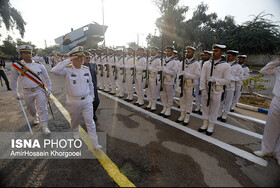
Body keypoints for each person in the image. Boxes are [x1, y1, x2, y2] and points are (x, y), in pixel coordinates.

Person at [51, 46, 102, 149]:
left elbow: (91, 84)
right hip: (73, 101)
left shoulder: (86, 69)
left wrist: (92, 96)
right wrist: (68, 59)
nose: (81, 59)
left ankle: (95, 142)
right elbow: (54, 70)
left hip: (87, 100)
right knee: (75, 121)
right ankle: (75, 134)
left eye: (82, 57)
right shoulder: (67, 70)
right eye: (78, 57)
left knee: (90, 122)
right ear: (73, 58)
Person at [10, 45, 51, 134]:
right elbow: (13, 80)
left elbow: (47, 78)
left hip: (39, 90)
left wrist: (49, 89)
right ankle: (35, 116)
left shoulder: (39, 65)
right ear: (21, 54)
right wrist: (15, 92)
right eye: (25, 53)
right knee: (31, 108)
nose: (28, 55)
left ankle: (44, 126)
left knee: (42, 108)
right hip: (26, 92)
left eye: (29, 52)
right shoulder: (17, 66)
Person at [198, 44, 231, 136]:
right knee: (205, 107)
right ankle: (205, 123)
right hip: (206, 89)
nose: (214, 52)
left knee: (214, 109)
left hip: (217, 90)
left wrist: (216, 80)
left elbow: (227, 80)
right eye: (213, 50)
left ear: (222, 53)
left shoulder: (226, 66)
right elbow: (202, 77)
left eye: (216, 51)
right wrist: (203, 89)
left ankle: (211, 125)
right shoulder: (207, 63)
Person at [253, 58, 280, 166]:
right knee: (271, 127)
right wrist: (277, 60)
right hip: (277, 101)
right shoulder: (278, 69)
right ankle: (266, 150)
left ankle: (278, 155)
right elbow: (263, 71)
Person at [176, 46, 200, 125]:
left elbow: (197, 76)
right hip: (182, 83)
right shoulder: (182, 62)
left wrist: (187, 74)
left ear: (193, 53)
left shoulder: (196, 64)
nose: (187, 53)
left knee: (189, 101)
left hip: (189, 84)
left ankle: (187, 116)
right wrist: (178, 86)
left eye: (189, 52)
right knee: (182, 100)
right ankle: (182, 114)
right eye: (186, 52)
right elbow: (178, 74)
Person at [218, 50, 243, 122]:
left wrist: (230, 77)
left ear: (234, 57)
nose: (228, 57)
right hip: (223, 85)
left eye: (230, 56)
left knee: (228, 100)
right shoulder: (224, 64)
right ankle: (219, 113)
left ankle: (224, 114)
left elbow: (239, 77)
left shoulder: (238, 67)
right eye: (227, 56)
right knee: (221, 99)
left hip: (230, 86)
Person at [159, 46, 177, 117]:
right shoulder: (163, 60)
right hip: (162, 80)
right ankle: (164, 107)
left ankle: (169, 108)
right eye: (166, 51)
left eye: (169, 51)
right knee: (163, 94)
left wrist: (165, 70)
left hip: (169, 80)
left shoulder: (174, 62)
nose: (167, 52)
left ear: (172, 52)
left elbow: (174, 72)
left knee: (169, 95)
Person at [83, 51, 99, 121]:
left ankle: (93, 112)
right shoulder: (80, 66)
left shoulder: (92, 65)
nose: (88, 59)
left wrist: (95, 85)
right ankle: (89, 115)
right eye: (86, 58)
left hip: (93, 86)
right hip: (85, 87)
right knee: (87, 103)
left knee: (96, 101)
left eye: (89, 58)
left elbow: (94, 75)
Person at [145, 46, 161, 111]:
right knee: (148, 90)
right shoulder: (149, 59)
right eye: (151, 51)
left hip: (154, 77)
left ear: (156, 52)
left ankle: (154, 103)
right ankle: (150, 102)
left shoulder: (158, 60)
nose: (151, 52)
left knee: (154, 91)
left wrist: (150, 68)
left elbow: (158, 69)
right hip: (148, 76)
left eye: (153, 51)